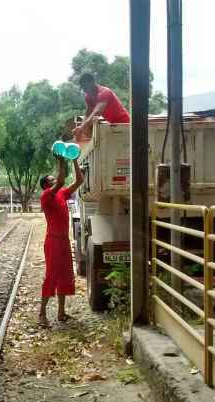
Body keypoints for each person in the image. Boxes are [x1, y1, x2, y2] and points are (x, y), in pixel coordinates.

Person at [38, 155, 84, 327]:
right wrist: (60, 161)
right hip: (53, 241)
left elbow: (79, 180)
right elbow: (62, 180)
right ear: (46, 185)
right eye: (51, 180)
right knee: (51, 276)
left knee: (65, 275)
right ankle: (42, 314)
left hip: (63, 241)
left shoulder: (62, 194)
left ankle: (61, 312)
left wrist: (74, 160)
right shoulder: (46, 196)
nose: (55, 179)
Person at [74, 73, 130, 142]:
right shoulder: (88, 97)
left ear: (92, 82)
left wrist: (82, 128)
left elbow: (97, 112)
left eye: (85, 87)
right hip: (113, 125)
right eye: (82, 88)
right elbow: (88, 113)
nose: (84, 90)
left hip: (125, 123)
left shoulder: (104, 92)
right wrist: (81, 127)